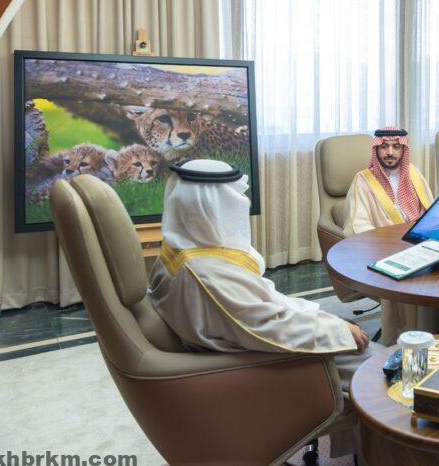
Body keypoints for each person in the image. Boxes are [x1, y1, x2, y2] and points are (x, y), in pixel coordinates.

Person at [148, 160, 376, 456]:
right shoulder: (205, 274)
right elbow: (271, 328)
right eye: (232, 200)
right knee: (384, 370)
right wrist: (340, 331)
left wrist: (322, 317)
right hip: (268, 366)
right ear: (209, 206)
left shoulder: (179, 250)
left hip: (248, 351)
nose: (239, 207)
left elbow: (259, 308)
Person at [343, 127, 434, 341]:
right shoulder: (363, 180)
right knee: (406, 280)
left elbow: (431, 213)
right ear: (376, 149)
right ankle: (403, 337)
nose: (390, 152)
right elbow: (358, 226)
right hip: (383, 251)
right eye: (384, 147)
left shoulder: (414, 174)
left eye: (396, 147)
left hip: (418, 246)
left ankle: (435, 332)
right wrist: (391, 244)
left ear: (403, 150)